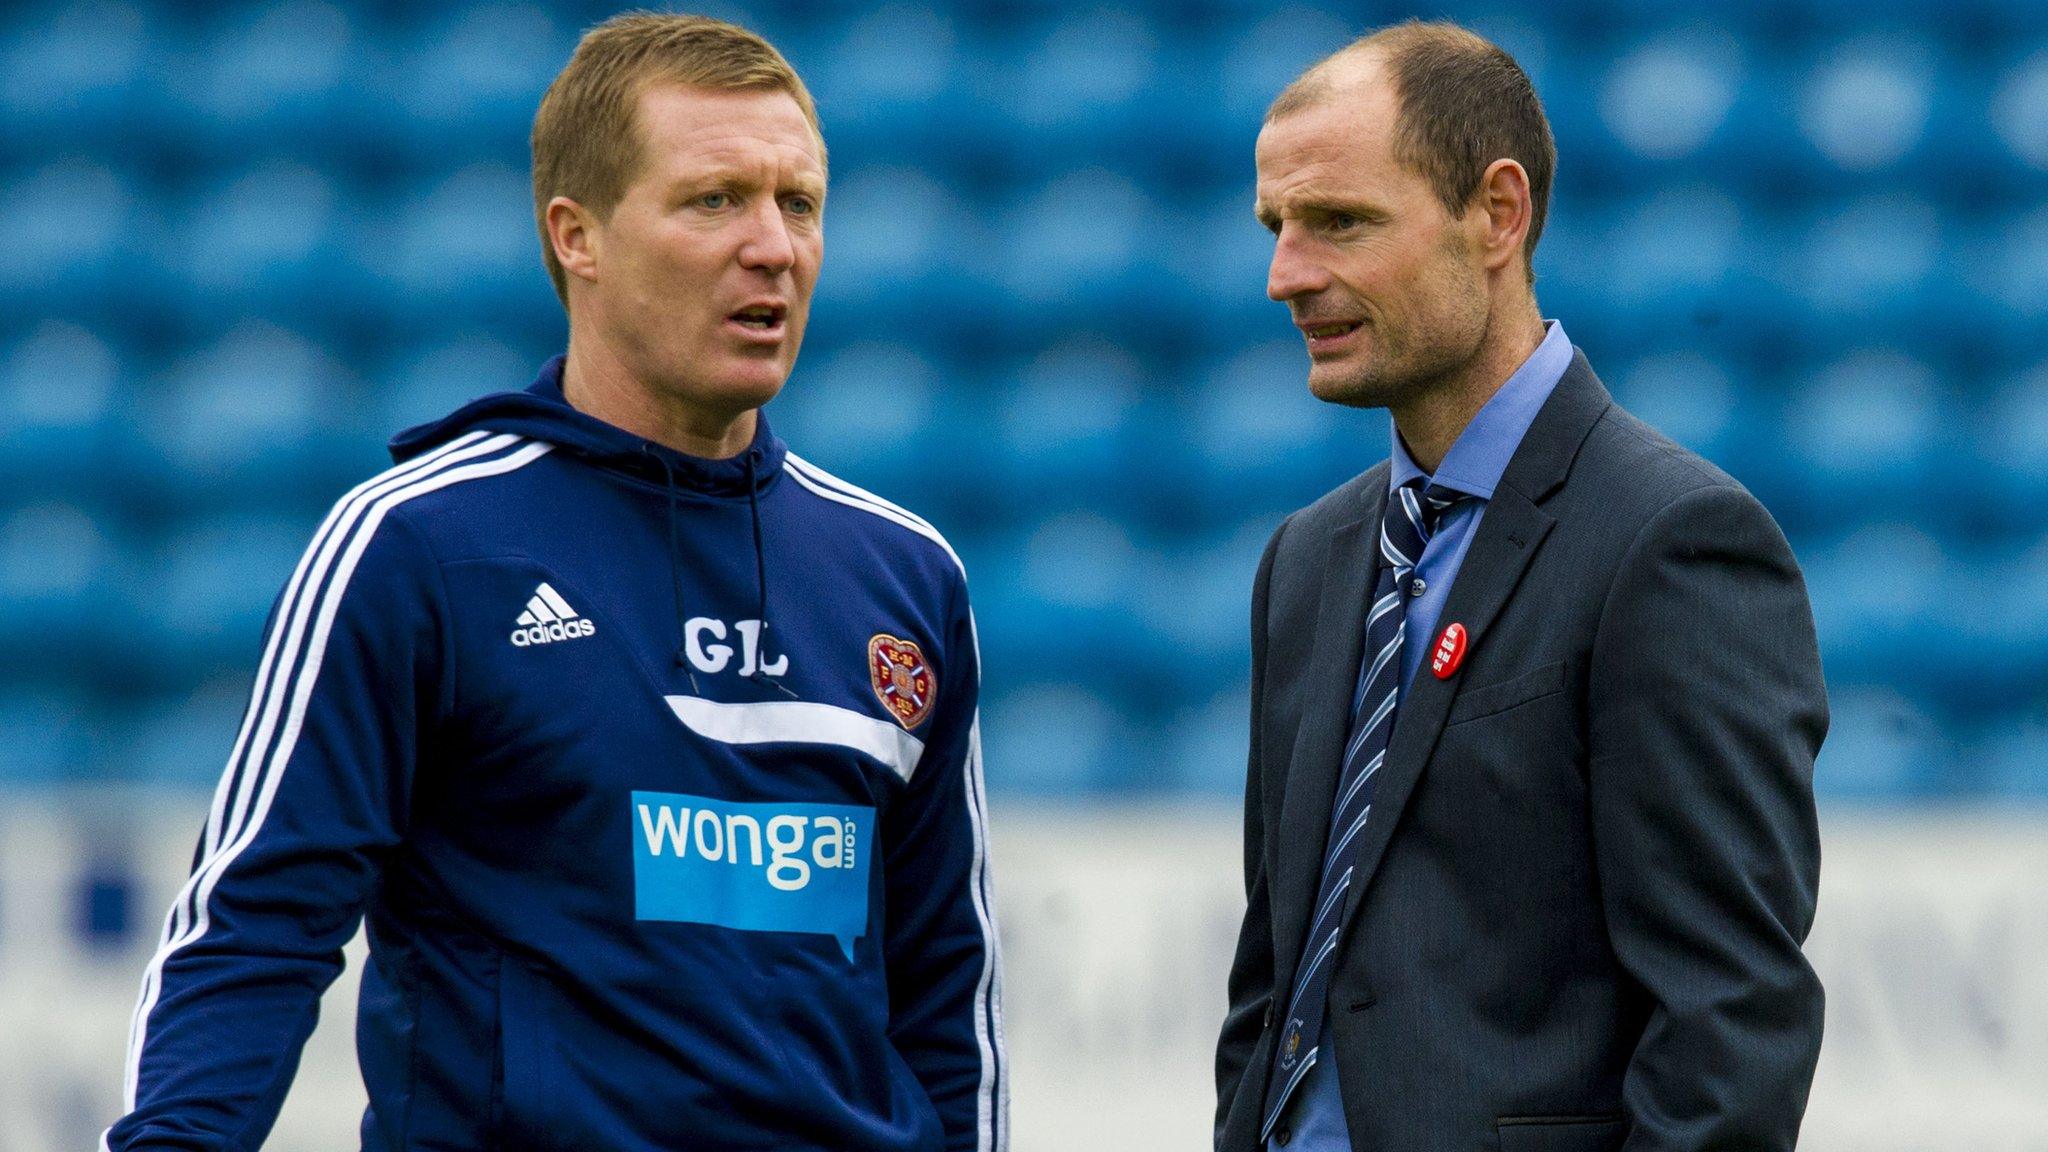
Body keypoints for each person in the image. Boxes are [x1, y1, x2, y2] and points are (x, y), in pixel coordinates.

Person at [107, 14, 1006, 1152]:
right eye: (715, 199)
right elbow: (253, 929)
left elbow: (945, 994)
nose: (774, 246)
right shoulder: (419, 545)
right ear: (576, 237)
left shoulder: (904, 575)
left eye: (800, 202)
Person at [1213, 21, 1826, 1152]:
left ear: (1497, 213)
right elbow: (1272, 992)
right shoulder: (1304, 560)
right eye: (1276, 227)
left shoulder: (1671, 543)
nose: (1284, 276)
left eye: (1338, 221)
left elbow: (1728, 1022)